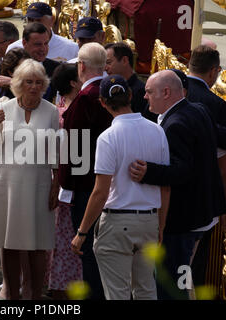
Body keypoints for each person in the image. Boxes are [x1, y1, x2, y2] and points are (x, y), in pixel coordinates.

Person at [129, 70, 226, 300]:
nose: (144, 97)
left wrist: (148, 172)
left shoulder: (175, 125)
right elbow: (222, 137)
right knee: (182, 275)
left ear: (166, 93)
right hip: (202, 212)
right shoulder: (198, 110)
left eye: (149, 92)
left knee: (170, 282)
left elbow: (182, 171)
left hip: (181, 219)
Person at [71, 74, 170, 300]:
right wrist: (160, 225)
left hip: (117, 222)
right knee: (146, 289)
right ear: (131, 96)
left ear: (103, 103)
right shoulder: (157, 131)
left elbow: (100, 191)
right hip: (149, 220)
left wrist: (82, 232)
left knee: (118, 294)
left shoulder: (108, 137)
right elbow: (165, 187)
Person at [0, 59, 59, 300]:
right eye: (29, 82)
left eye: (39, 82)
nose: (34, 87)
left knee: (38, 244)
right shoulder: (4, 108)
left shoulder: (51, 110)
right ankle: (11, 294)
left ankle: (35, 294)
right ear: (18, 83)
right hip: (8, 183)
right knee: (9, 241)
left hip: (39, 182)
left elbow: (58, 154)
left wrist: (56, 185)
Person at [58, 42, 111, 300]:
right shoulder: (112, 90)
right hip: (109, 181)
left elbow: (74, 146)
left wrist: (66, 185)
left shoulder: (85, 98)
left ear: (81, 66)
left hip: (86, 186)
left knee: (88, 250)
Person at [186, 45, 226, 291]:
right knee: (194, 265)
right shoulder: (215, 104)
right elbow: (224, 162)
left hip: (160, 193)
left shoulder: (166, 90)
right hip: (199, 199)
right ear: (214, 71)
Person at [47, 63, 83, 299]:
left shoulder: (55, 111)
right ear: (73, 83)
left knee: (61, 240)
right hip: (67, 185)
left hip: (58, 183)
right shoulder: (67, 115)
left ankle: (57, 284)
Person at [6, 2, 78, 63]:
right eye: (30, 20)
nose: (34, 24)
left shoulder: (71, 48)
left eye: (38, 20)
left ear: (52, 20)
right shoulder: (14, 48)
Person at [21, 22, 60, 103]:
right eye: (38, 44)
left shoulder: (57, 69)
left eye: (46, 43)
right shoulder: (8, 68)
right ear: (24, 43)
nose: (43, 48)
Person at [104, 42, 147, 115]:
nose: (105, 68)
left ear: (124, 60)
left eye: (108, 62)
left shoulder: (141, 92)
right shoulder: (111, 88)